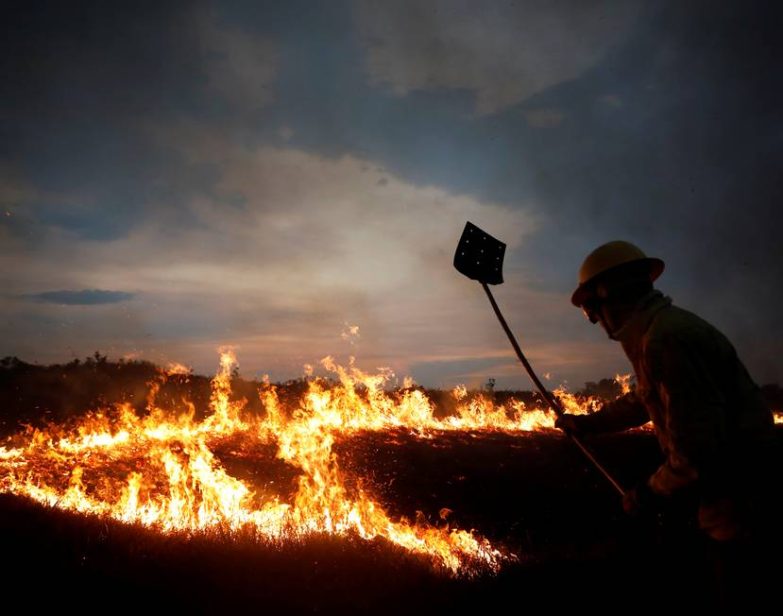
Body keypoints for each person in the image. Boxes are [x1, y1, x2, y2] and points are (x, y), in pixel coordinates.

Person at [556, 241, 779, 601]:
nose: (595, 321)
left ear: (609, 295)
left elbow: (695, 452)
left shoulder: (666, 340)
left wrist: (648, 493)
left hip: (743, 507)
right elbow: (643, 401)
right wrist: (586, 424)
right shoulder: (659, 332)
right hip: (735, 496)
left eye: (591, 309)